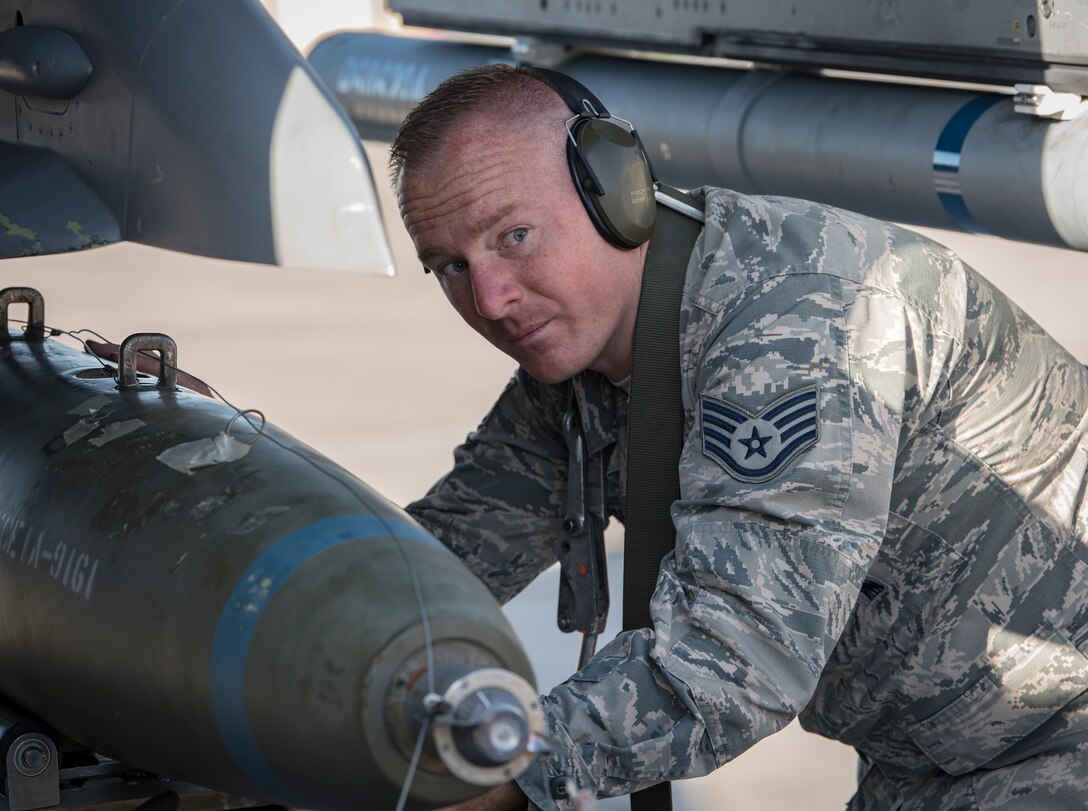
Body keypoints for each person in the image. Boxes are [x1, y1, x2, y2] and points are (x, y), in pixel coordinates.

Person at [395, 63, 1088, 811]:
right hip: (934, 758)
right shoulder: (575, 366)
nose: (490, 298)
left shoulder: (796, 319)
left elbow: (735, 657)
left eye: (515, 236)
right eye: (451, 266)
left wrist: (512, 773)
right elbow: (428, 568)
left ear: (614, 190)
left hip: (1058, 735)